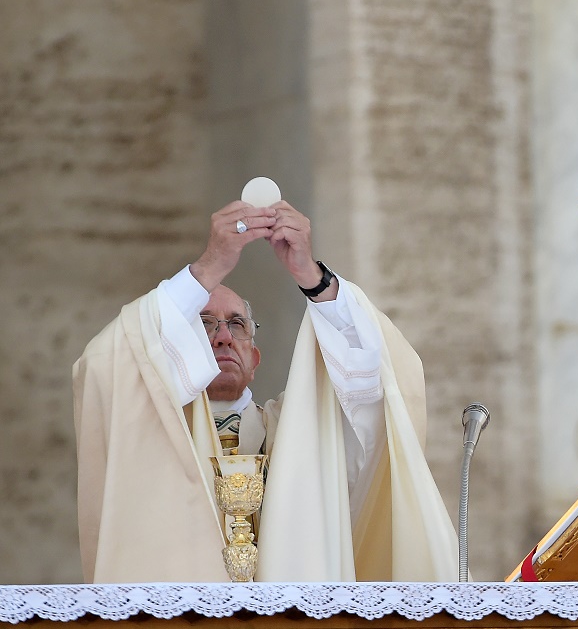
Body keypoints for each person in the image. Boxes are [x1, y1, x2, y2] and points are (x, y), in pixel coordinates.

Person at [73, 200, 458, 583]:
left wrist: (312, 277)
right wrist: (210, 267)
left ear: (254, 359)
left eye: (236, 324)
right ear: (174, 346)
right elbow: (106, 364)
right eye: (202, 323)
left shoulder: (302, 431)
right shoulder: (148, 429)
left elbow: (377, 380)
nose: (222, 337)